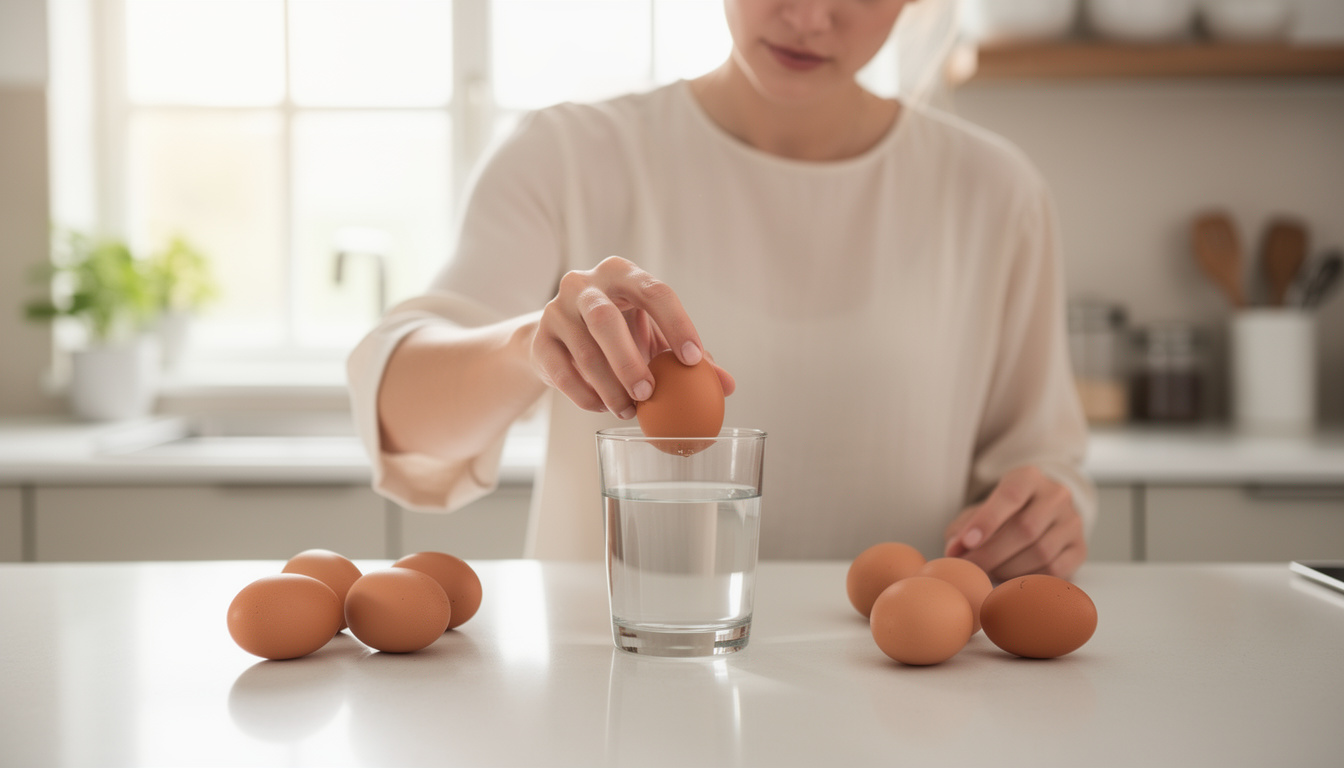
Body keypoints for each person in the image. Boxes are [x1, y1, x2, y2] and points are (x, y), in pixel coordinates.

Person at [348, 0, 1095, 581]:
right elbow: (398, 421)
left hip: (897, 696)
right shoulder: (568, 156)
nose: (808, 17)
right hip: (609, 695)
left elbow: (1043, 462)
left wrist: (1046, 514)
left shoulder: (995, 194)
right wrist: (529, 348)